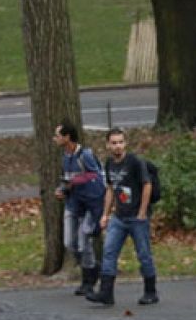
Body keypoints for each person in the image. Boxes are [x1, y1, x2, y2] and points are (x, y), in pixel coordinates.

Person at [87, 128, 158, 306]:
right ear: (108, 145)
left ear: (125, 143)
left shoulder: (134, 162)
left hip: (136, 217)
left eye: (120, 142)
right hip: (119, 217)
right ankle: (106, 292)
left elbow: (147, 185)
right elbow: (110, 189)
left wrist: (142, 212)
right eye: (114, 143)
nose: (118, 146)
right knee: (109, 252)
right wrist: (105, 214)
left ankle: (150, 291)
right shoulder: (109, 163)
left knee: (143, 254)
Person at [52, 123, 106, 294]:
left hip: (89, 203)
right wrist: (61, 189)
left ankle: (89, 278)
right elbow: (65, 179)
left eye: (58, 136)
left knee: (84, 242)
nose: (55, 139)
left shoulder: (85, 155)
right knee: (70, 242)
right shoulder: (64, 157)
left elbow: (94, 174)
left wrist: (74, 182)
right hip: (72, 203)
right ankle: (89, 269)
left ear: (67, 137)